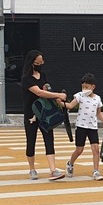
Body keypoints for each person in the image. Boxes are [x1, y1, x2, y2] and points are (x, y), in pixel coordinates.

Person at [21, 49, 67, 181]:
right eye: (38, 62)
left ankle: (53, 169)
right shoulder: (26, 79)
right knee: (31, 141)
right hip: (31, 115)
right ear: (31, 63)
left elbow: (45, 90)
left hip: (46, 114)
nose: (41, 64)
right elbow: (39, 93)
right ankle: (32, 169)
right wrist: (58, 94)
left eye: (42, 62)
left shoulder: (43, 75)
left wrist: (58, 100)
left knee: (49, 139)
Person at [64, 73, 103, 180]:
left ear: (93, 87)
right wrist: (60, 102)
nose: (84, 89)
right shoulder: (79, 96)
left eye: (87, 87)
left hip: (92, 126)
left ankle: (96, 171)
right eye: (83, 87)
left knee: (96, 149)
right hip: (81, 126)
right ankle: (70, 164)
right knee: (79, 150)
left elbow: (98, 113)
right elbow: (70, 105)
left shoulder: (97, 98)